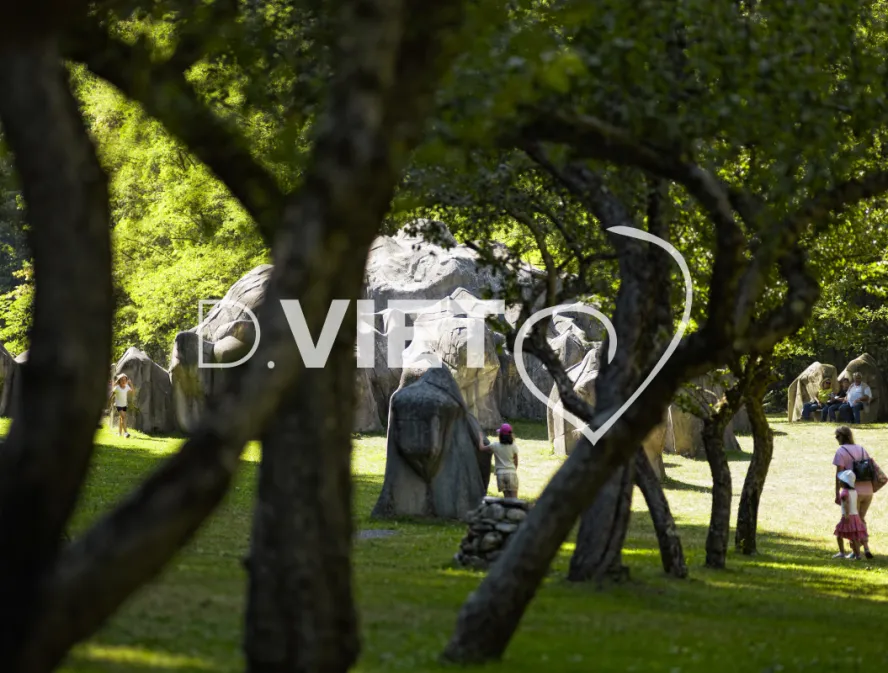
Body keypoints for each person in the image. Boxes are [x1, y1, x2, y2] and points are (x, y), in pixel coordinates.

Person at [833, 425, 874, 558]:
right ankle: (865, 548)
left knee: (852, 521)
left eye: (837, 436)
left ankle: (855, 552)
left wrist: (836, 493)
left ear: (842, 437)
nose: (836, 439)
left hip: (853, 491)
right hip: (868, 490)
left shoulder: (841, 451)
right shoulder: (862, 449)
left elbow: (838, 475)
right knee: (860, 519)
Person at [833, 469, 868, 560]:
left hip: (847, 516)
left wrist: (846, 515)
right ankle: (858, 555)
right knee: (854, 537)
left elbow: (846, 504)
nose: (839, 481)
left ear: (845, 482)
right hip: (855, 516)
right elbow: (852, 503)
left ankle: (841, 552)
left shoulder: (844, 492)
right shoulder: (854, 492)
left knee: (839, 534)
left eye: (841, 480)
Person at [482, 423, 519, 498]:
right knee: (514, 499)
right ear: (511, 435)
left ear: (500, 435)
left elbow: (481, 448)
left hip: (500, 474)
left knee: (507, 499)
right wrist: (514, 470)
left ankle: (507, 510)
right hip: (511, 473)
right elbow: (516, 461)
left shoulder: (495, 445)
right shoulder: (513, 446)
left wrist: (480, 437)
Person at [108, 374, 135, 438]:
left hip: (124, 405)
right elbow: (112, 394)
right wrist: (109, 402)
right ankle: (126, 433)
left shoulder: (127, 386)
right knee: (123, 417)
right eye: (122, 380)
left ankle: (119, 433)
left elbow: (133, 392)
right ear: (119, 381)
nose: (123, 381)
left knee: (121, 418)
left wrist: (130, 383)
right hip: (118, 405)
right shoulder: (117, 388)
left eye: (125, 380)